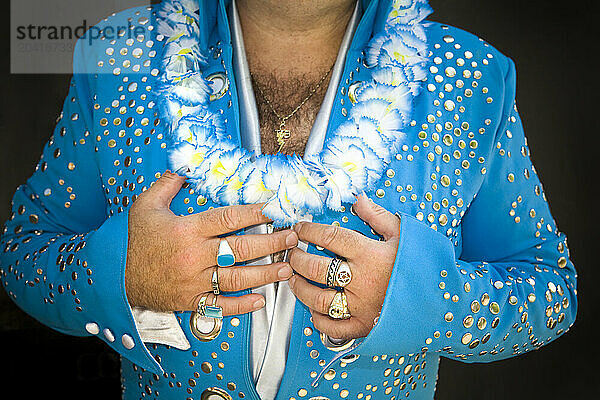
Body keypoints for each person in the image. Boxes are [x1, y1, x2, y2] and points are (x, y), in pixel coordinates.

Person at [0, 0, 578, 399]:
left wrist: (430, 298)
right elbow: (24, 250)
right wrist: (118, 274)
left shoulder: (476, 77)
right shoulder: (114, 55)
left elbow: (550, 288)